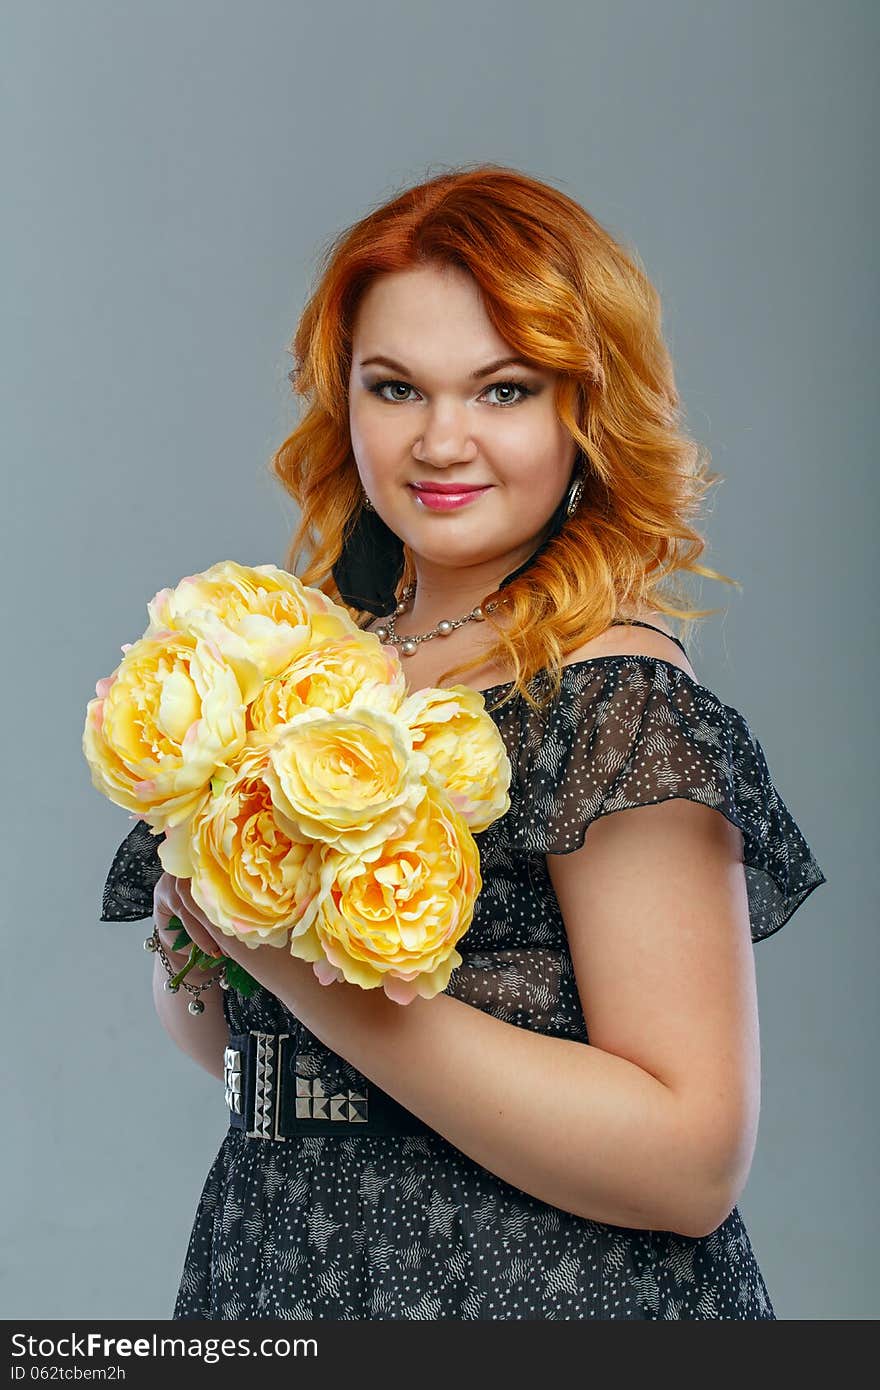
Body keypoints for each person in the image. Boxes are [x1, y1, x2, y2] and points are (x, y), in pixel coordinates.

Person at [100, 165, 827, 1320]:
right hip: (278, 1262)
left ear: (584, 406)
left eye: (501, 391)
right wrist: (204, 916)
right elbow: (244, 1060)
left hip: (534, 1297)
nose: (441, 441)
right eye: (396, 388)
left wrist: (299, 962)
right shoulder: (316, 658)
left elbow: (690, 1164)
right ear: (343, 400)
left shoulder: (613, 697)